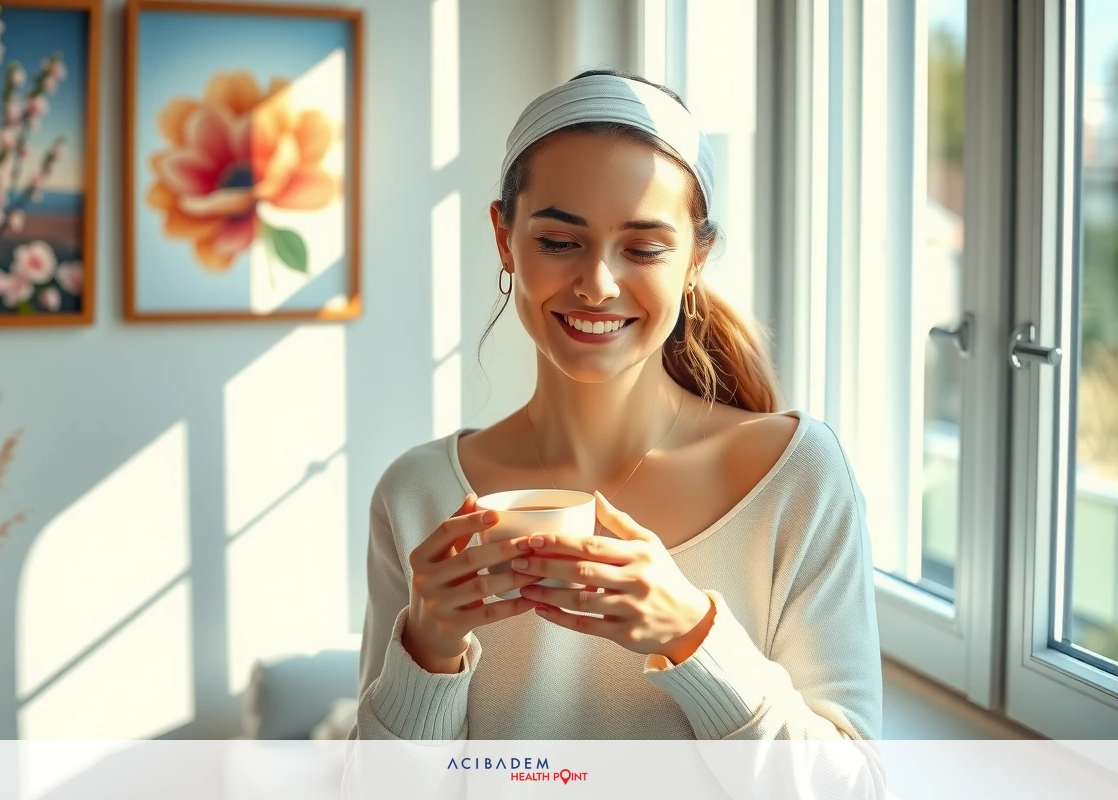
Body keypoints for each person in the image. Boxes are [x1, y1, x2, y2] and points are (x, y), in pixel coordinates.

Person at [349, 70, 882, 756]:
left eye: (644, 248)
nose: (597, 285)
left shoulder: (797, 476)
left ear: (696, 258)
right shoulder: (417, 495)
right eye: (558, 241)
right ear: (504, 238)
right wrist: (426, 653)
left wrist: (691, 634)